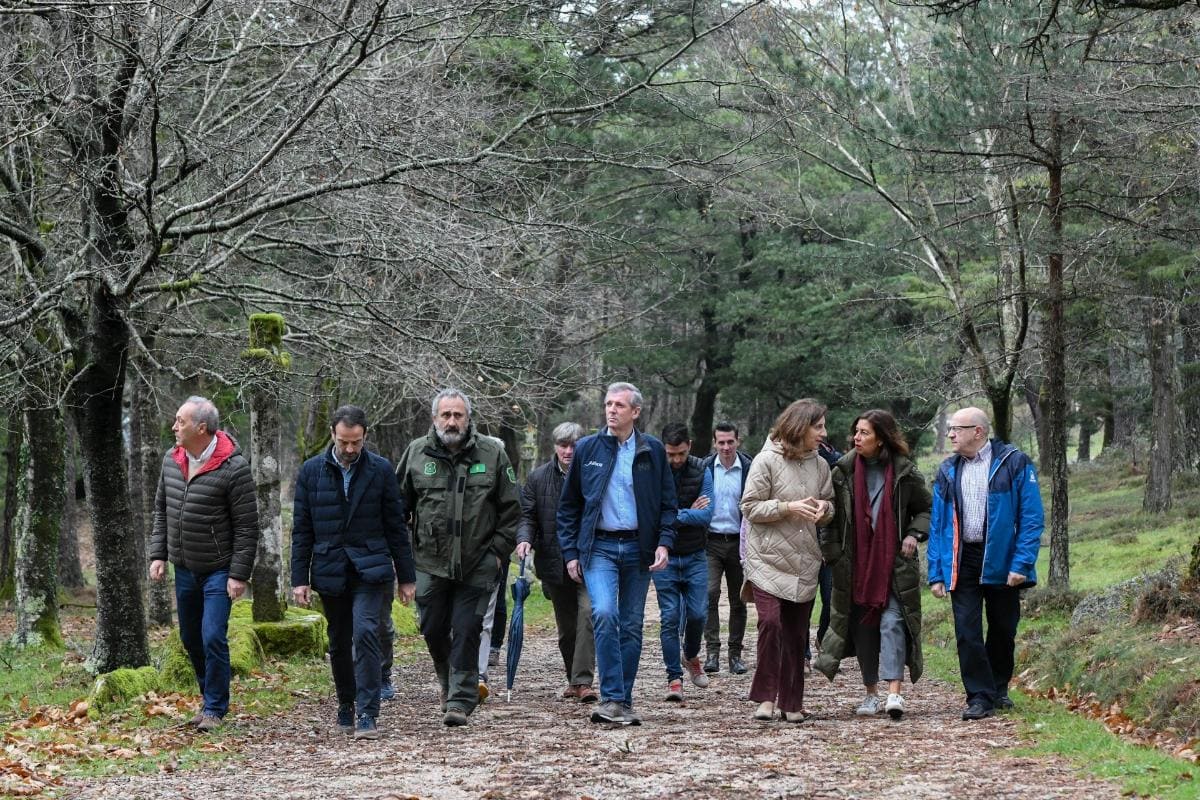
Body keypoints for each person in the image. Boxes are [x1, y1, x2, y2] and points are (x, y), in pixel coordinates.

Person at [291, 405, 417, 740]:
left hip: (371, 567)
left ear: (364, 437)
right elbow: (302, 530)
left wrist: (406, 576)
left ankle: (368, 712)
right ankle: (346, 702)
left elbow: (396, 526)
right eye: (345, 442)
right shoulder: (310, 472)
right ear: (333, 434)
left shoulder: (380, 470)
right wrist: (299, 579)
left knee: (365, 633)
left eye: (356, 443)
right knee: (338, 640)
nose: (350, 449)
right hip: (331, 567)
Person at [397, 389, 521, 727]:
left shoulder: (492, 453)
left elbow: (512, 509)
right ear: (434, 418)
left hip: (477, 561)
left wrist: (497, 554)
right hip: (428, 562)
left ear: (469, 418)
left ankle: (460, 700)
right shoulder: (416, 453)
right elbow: (398, 508)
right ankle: (447, 679)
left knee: (467, 628)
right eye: (446, 415)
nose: (452, 421)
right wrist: (402, 559)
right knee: (433, 627)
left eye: (458, 415)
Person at [557, 382, 676, 726]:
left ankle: (622, 700)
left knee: (632, 626)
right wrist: (571, 553)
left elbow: (668, 504)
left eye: (619, 405)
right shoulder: (588, 449)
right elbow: (569, 507)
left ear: (635, 411)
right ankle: (612, 698)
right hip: (599, 548)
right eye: (608, 404)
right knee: (605, 613)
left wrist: (664, 543)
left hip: (640, 548)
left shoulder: (652, 450)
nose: (611, 410)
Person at [149, 396, 259, 732]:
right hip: (184, 567)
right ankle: (206, 697)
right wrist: (158, 555)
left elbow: (247, 525)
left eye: (180, 421)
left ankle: (215, 707)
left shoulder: (234, 468)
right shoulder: (172, 459)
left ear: (201, 427)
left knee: (213, 635)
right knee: (190, 638)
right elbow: (161, 510)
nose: (174, 427)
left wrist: (238, 574)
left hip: (219, 569)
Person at [813, 410, 932, 720]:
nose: (856, 437)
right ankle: (870, 693)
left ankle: (895, 694)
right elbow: (831, 521)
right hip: (856, 565)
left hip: (894, 565)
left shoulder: (905, 472)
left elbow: (927, 508)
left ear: (881, 438)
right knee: (864, 627)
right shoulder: (843, 472)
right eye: (856, 432)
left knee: (892, 621)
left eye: (864, 433)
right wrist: (833, 553)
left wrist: (913, 533)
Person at [928, 406, 1043, 720]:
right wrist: (936, 572)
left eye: (957, 428)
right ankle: (979, 696)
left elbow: (1031, 518)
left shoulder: (1014, 462)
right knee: (967, 630)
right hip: (962, 559)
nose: (950, 434)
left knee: (1003, 628)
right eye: (950, 428)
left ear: (977, 432)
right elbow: (938, 525)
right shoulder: (947, 470)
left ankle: (998, 687)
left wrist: (1022, 563)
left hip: (1002, 559)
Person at [740, 399, 834, 723]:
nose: (824, 433)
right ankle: (765, 698)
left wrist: (824, 509)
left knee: (796, 634)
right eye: (818, 426)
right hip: (766, 559)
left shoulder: (821, 465)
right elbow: (749, 507)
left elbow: (829, 504)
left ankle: (791, 702)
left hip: (805, 559)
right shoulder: (766, 461)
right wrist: (788, 507)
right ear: (799, 427)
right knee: (770, 623)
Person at [515, 422, 597, 702]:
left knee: (588, 615)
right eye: (563, 445)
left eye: (574, 445)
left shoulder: (593, 474)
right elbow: (528, 516)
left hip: (589, 560)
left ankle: (584, 680)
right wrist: (525, 539)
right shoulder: (538, 478)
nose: (568, 451)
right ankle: (573, 679)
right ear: (555, 447)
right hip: (554, 562)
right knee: (567, 628)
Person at [655, 423, 714, 702]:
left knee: (698, 614)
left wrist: (673, 515)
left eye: (680, 453)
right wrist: (688, 511)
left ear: (689, 445)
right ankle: (673, 678)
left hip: (694, 555)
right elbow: (652, 515)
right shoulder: (654, 470)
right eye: (670, 454)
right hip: (664, 555)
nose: (676, 460)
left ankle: (691, 655)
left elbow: (706, 515)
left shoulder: (702, 470)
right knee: (669, 618)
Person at [701, 423, 753, 675]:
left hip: (739, 542)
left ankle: (735, 654)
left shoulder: (749, 468)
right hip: (710, 541)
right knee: (709, 594)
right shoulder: (705, 468)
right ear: (714, 443)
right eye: (721, 442)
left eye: (730, 442)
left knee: (738, 598)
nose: (726, 447)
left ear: (738, 441)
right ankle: (712, 652)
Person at [807, 437, 842, 671]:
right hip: (803, 542)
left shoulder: (835, 460)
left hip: (830, 543)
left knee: (831, 601)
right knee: (803, 602)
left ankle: (822, 639)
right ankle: (802, 654)